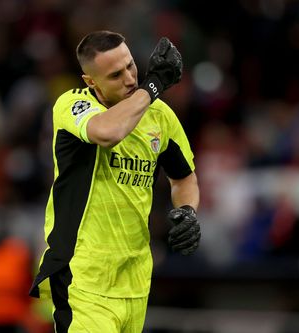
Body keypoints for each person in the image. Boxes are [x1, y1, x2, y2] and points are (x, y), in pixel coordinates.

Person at [29, 30, 200, 332]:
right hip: (83, 278)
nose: (131, 79)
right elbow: (107, 133)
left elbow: (184, 177)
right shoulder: (72, 105)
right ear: (91, 82)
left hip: (134, 281)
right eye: (115, 75)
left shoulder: (159, 116)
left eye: (131, 66)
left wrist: (187, 210)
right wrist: (154, 86)